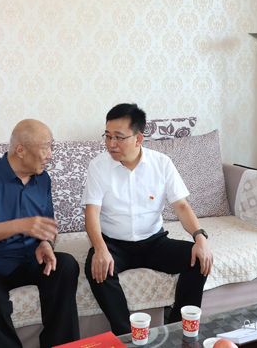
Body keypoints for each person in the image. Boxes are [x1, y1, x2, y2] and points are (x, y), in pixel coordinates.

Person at [82, 103, 214, 335]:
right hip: (114, 244)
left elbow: (181, 206)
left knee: (198, 260)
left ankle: (177, 329)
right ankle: (126, 335)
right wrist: (100, 248)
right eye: (108, 136)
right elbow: (91, 212)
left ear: (138, 138)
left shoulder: (161, 163)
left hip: (154, 242)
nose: (111, 144)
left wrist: (200, 238)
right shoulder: (98, 166)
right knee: (96, 267)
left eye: (119, 137)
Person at [0, 119, 79, 348]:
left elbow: (46, 227)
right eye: (45, 147)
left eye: (51, 146)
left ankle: (60, 345)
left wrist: (45, 243)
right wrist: (21, 225)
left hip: (31, 259)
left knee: (66, 265)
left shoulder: (43, 179)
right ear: (20, 150)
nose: (50, 155)